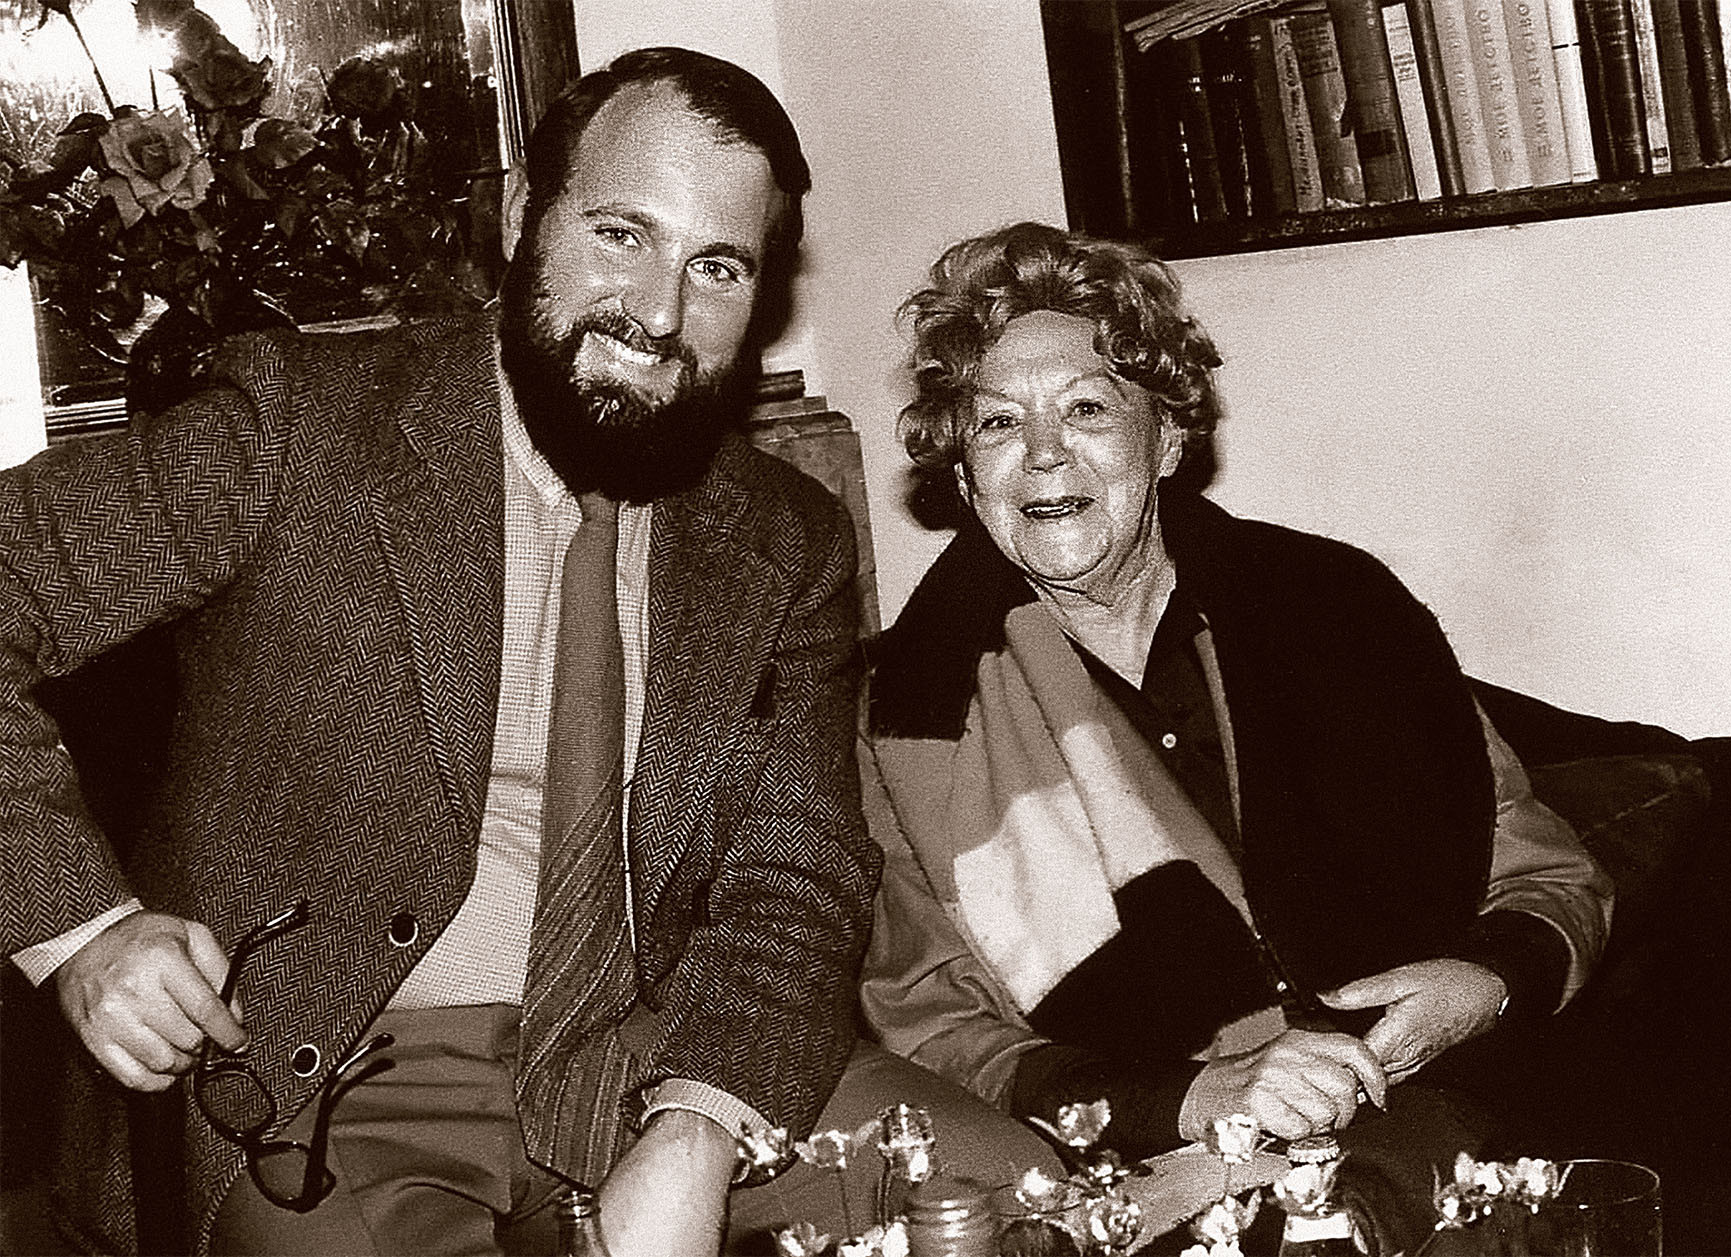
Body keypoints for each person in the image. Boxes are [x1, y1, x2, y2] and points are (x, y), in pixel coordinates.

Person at [1, 48, 883, 1257]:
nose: (660, 315)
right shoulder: (297, 428)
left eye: (717, 266)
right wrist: (81, 931)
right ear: (522, 218)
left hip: (665, 1056)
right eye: (622, 235)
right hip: (326, 1072)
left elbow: (800, 877)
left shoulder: (786, 540)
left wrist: (700, 1125)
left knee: (1026, 1197)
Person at [858, 222, 1614, 1253]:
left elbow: (1551, 877)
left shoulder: (1339, 608)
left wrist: (1488, 985)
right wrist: (1187, 1096)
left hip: (1443, 1098)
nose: (1043, 453)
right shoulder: (907, 715)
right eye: (997, 423)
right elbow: (933, 1025)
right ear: (961, 473)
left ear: (1166, 437)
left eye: (1087, 408)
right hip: (1148, 1160)